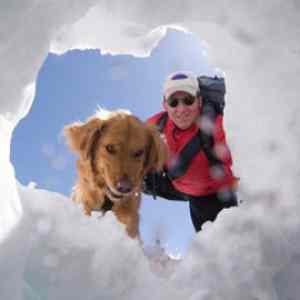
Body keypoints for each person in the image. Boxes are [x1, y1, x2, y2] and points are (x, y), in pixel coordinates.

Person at [143, 71, 238, 232]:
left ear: (199, 101)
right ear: (165, 105)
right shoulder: (155, 125)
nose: (181, 109)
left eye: (188, 100)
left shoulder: (218, 125)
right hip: (176, 186)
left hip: (215, 196)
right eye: (173, 102)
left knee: (219, 242)